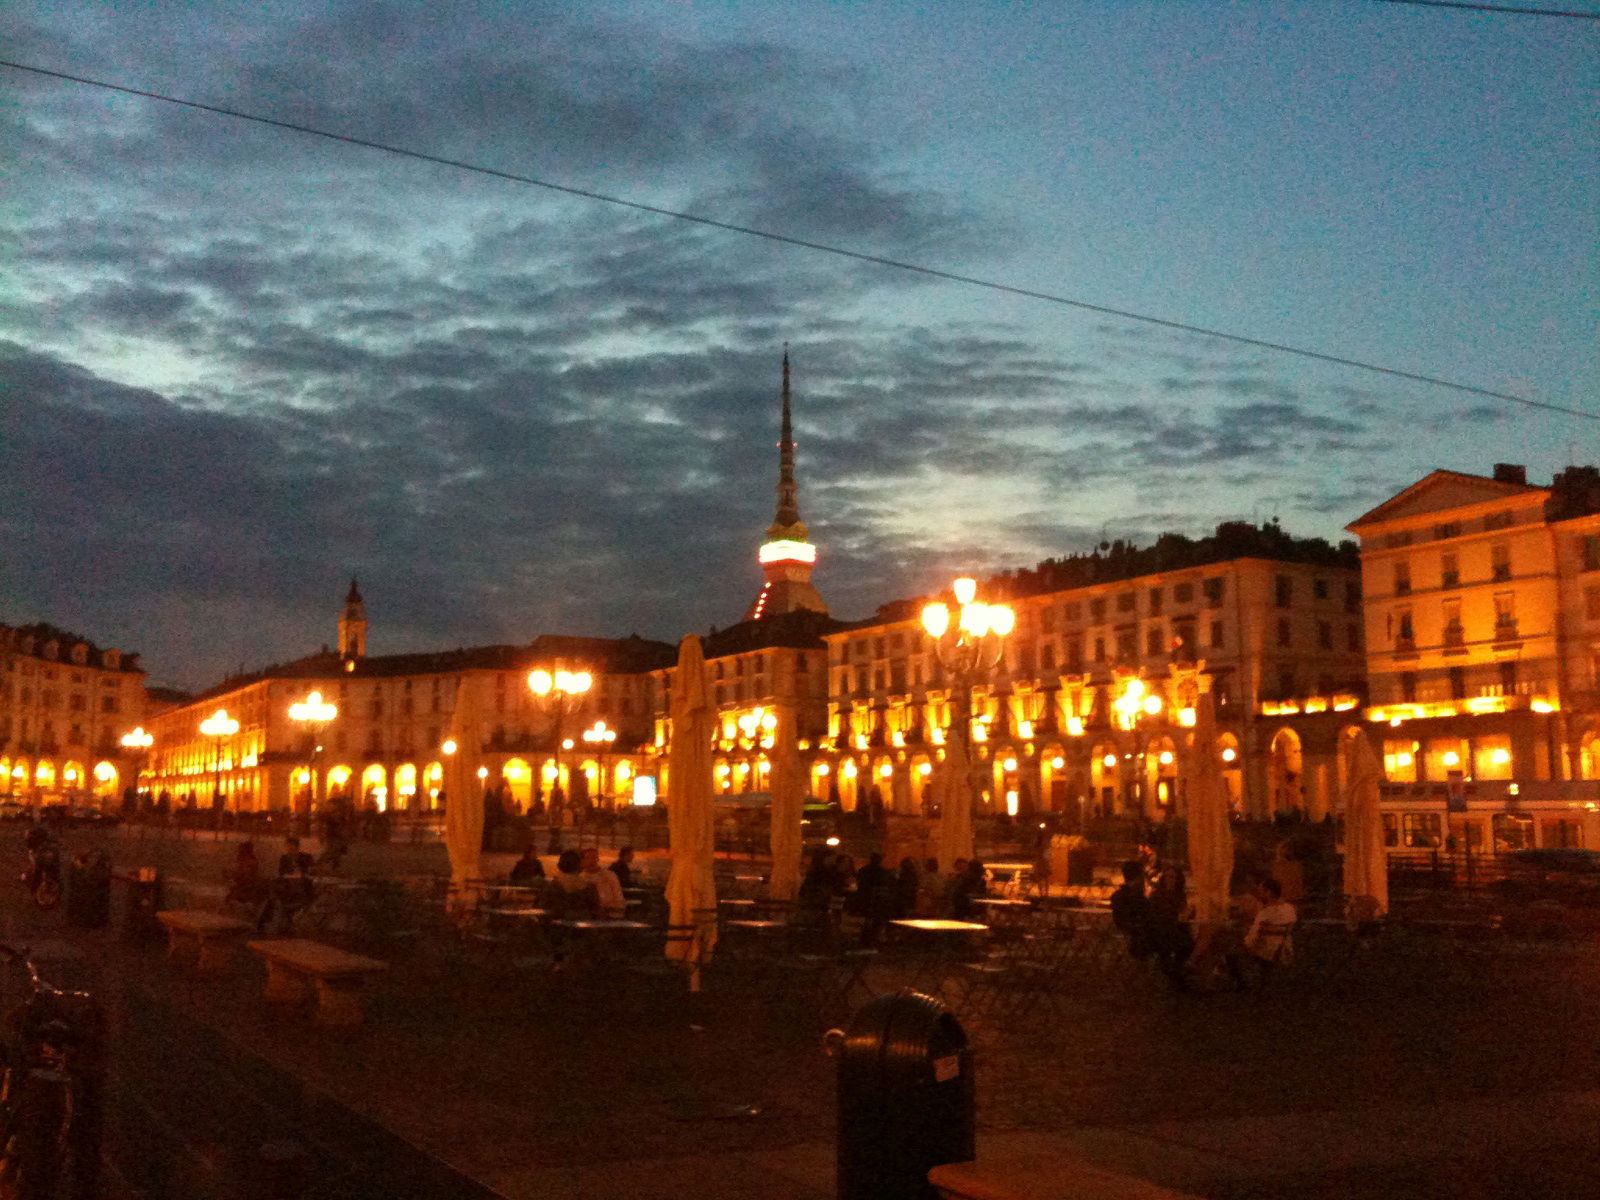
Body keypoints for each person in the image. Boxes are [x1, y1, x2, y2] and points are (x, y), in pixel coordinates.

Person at [1225, 877, 1297, 990]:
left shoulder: (1265, 913)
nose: (1258, 895)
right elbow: (1291, 927)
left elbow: (1252, 937)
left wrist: (1244, 942)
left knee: (1230, 951)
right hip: (1284, 947)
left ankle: (1241, 984)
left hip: (1265, 950)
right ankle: (1263, 983)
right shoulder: (1289, 908)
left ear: (1268, 892)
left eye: (1261, 891)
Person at [257, 836, 315, 934]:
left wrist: (298, 871)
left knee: (274, 897)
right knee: (272, 895)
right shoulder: (284, 858)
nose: (289, 849)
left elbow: (309, 873)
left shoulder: (305, 858)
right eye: (287, 847)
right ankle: (263, 923)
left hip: (299, 889)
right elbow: (282, 873)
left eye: (291, 847)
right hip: (287, 887)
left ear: (296, 847)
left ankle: (264, 923)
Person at [545, 848, 598, 917]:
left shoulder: (552, 886)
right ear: (580, 864)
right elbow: (597, 913)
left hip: (555, 926)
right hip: (583, 923)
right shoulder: (589, 888)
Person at [579, 847, 625, 917]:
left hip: (610, 913)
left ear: (598, 859)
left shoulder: (609, 875)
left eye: (594, 857)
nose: (592, 861)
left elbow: (618, 896)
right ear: (582, 861)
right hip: (589, 914)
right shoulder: (580, 878)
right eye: (588, 858)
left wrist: (616, 909)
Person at [227, 841, 265, 907]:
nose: (239, 851)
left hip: (246, 883)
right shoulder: (245, 859)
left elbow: (247, 873)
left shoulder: (249, 860)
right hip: (243, 882)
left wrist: (235, 877)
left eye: (241, 849)